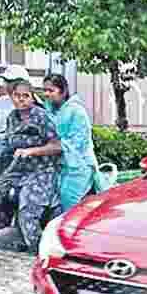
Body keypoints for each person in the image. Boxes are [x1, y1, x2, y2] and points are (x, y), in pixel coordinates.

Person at [0, 80, 63, 253]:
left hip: (42, 170)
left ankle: (39, 250)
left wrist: (32, 151)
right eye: (17, 95)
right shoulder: (12, 118)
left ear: (32, 98)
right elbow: (8, 142)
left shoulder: (41, 116)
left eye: (26, 96)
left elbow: (57, 146)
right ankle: (10, 234)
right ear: (11, 96)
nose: (21, 99)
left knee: (28, 210)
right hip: (19, 168)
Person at [42, 73, 98, 212]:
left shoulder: (76, 112)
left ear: (63, 91)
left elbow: (73, 145)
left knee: (70, 206)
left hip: (79, 166)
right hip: (61, 167)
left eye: (51, 90)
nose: (47, 94)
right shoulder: (50, 109)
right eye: (45, 90)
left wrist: (38, 150)